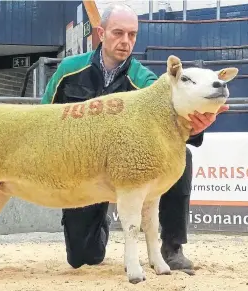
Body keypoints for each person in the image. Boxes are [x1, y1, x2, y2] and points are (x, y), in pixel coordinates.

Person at [40, 3, 228, 273]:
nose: (126, 41)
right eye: (118, 33)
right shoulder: (68, 71)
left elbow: (171, 125)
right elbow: (45, 116)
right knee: (83, 258)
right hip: (83, 170)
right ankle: (98, 218)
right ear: (101, 32)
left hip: (129, 165)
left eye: (132, 35)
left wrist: (196, 127)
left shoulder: (147, 80)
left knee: (180, 155)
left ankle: (172, 245)